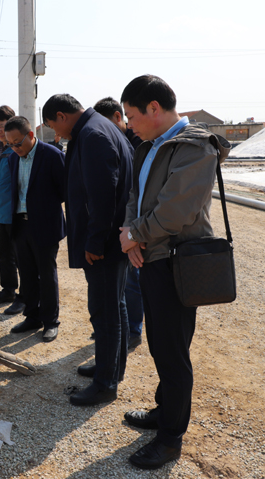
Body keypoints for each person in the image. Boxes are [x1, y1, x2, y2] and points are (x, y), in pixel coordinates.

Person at [118, 75, 230, 470]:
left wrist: (134, 235)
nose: (129, 124)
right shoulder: (150, 146)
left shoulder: (195, 147)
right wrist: (131, 233)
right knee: (161, 345)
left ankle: (170, 439)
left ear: (154, 108)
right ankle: (164, 410)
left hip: (175, 261)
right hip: (153, 256)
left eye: (132, 115)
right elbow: (136, 196)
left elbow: (176, 211)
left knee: (173, 352)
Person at [42, 94, 133, 406]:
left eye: (53, 126)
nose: (57, 133)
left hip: (104, 245)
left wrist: (94, 241)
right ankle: (112, 367)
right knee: (115, 305)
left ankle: (105, 384)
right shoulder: (100, 128)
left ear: (61, 116)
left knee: (104, 312)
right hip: (112, 239)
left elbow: (103, 195)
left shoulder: (93, 135)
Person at [4, 116, 66, 343]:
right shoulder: (13, 158)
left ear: (30, 135)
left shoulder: (52, 155)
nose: (15, 148)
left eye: (18, 143)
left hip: (44, 224)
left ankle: (50, 322)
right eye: (10, 144)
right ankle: (32, 317)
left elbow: (64, 191)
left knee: (46, 275)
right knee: (27, 274)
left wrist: (43, 206)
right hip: (20, 224)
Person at [93, 96, 145, 351]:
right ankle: (119, 328)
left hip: (135, 225)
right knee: (120, 285)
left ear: (117, 117)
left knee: (132, 282)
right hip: (121, 223)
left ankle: (133, 330)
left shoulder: (139, 142)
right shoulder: (116, 141)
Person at [0, 105, 25, 315]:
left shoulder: (17, 148)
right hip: (0, 211)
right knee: (4, 253)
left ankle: (25, 297)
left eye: (1, 126)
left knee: (22, 257)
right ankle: (8, 290)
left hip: (16, 212)